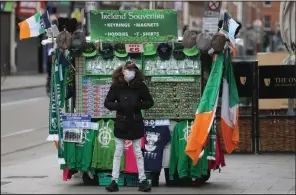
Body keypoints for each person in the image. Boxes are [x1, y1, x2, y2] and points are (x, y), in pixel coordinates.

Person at [104, 61, 154, 192]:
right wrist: (119, 105)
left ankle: (142, 180)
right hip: (121, 122)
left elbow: (150, 102)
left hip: (135, 121)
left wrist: (137, 105)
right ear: (123, 70)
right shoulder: (116, 86)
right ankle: (114, 180)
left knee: (138, 152)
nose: (131, 72)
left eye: (134, 70)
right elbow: (107, 103)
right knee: (118, 152)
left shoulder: (140, 85)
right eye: (129, 69)